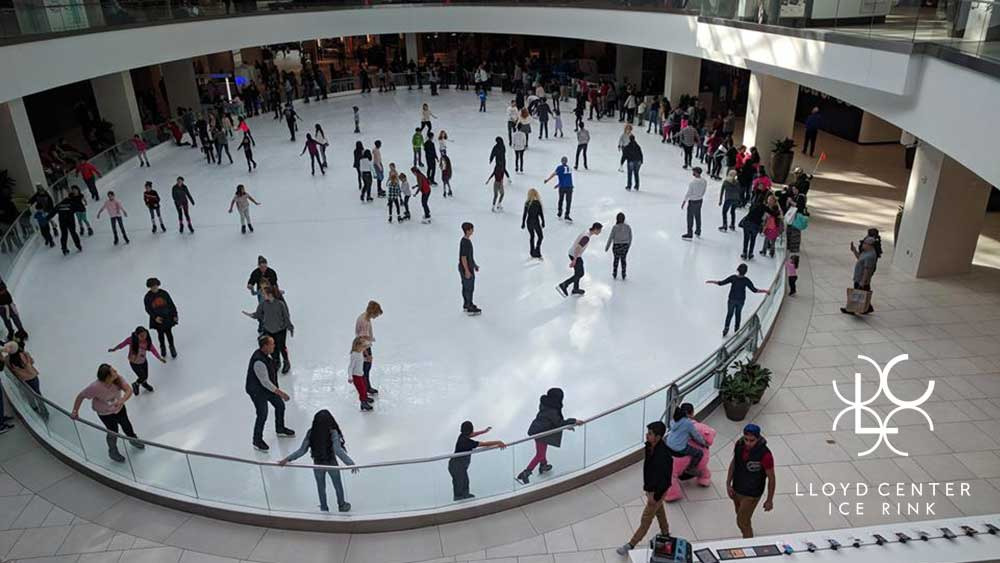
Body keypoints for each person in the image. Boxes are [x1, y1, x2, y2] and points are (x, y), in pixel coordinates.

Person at [279, 409, 358, 512]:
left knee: (321, 487)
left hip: (317, 464)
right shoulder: (333, 432)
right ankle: (342, 505)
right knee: (337, 485)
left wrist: (287, 459)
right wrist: (350, 463)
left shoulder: (311, 432)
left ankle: (324, 507)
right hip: (331, 463)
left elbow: (302, 450)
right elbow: (338, 450)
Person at [616, 421, 671, 556]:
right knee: (659, 510)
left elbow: (665, 480)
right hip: (652, 490)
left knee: (646, 519)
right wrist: (647, 489)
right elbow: (648, 470)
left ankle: (631, 544)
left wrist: (655, 496)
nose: (647, 435)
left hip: (658, 491)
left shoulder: (663, 455)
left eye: (650, 434)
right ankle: (665, 533)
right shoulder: (650, 447)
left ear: (658, 437)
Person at [71, 364, 144, 463]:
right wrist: (75, 411)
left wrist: (122, 400)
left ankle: (133, 440)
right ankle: (113, 451)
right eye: (113, 371)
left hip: (119, 408)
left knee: (126, 424)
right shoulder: (95, 387)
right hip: (105, 414)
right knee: (113, 431)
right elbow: (81, 396)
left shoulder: (118, 379)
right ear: (107, 377)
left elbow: (128, 390)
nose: (116, 371)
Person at [515, 388, 582, 484]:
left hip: (540, 431)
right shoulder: (552, 410)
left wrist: (567, 426)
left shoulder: (546, 405)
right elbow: (558, 422)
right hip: (541, 433)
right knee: (540, 454)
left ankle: (543, 465)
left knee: (542, 451)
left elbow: (554, 422)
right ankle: (526, 473)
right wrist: (573, 421)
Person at [245, 335, 294, 451]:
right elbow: (265, 382)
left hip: (267, 388)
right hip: (257, 391)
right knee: (262, 414)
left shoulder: (267, 356)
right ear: (265, 346)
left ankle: (280, 429)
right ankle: (257, 440)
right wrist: (281, 393)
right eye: (272, 344)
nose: (274, 346)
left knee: (280, 405)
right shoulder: (259, 362)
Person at [726, 424, 775, 538]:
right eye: (746, 439)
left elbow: (771, 478)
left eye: (752, 440)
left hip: (752, 493)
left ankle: (749, 541)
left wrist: (769, 500)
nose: (748, 443)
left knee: (742, 521)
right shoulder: (739, 445)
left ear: (758, 438)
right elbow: (734, 463)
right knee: (741, 516)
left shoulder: (765, 455)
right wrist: (728, 483)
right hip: (737, 488)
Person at [707, 263, 770, 337]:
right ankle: (736, 330)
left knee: (729, 314)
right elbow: (754, 290)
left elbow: (721, 283)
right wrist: (765, 291)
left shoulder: (733, 278)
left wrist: (712, 281)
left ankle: (726, 329)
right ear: (746, 272)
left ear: (738, 269)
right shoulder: (746, 280)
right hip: (740, 301)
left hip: (732, 299)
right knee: (738, 314)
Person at [449, 421, 505, 501]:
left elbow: (472, 434)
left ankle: (465, 496)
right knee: (459, 484)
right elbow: (484, 444)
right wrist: (498, 442)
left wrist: (484, 431)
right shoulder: (466, 442)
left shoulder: (462, 436)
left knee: (465, 482)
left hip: (459, 466)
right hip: (456, 466)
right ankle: (459, 500)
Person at [243, 286, 294, 374]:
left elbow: (286, 317)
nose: (263, 295)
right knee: (273, 347)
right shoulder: (263, 304)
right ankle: (276, 361)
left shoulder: (280, 304)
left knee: (282, 346)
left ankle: (286, 362)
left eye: (264, 294)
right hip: (269, 330)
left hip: (280, 330)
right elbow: (258, 314)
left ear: (270, 294)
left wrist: (290, 327)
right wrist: (251, 315)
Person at [108, 326, 165, 396]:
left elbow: (153, 350)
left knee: (145, 376)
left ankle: (144, 384)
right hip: (134, 363)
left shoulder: (147, 342)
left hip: (143, 361)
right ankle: (135, 384)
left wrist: (159, 358)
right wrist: (114, 349)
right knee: (142, 376)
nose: (144, 337)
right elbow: (122, 344)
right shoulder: (131, 340)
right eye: (141, 336)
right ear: (136, 335)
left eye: (145, 335)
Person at [557, 222, 602, 297]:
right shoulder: (586, 237)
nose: (600, 232)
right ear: (596, 229)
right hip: (575, 255)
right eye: (599, 230)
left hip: (574, 254)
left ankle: (575, 289)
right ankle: (564, 284)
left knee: (578, 273)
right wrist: (574, 260)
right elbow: (578, 248)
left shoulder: (587, 232)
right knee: (580, 273)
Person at [4, 340, 47, 418]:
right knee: (38, 394)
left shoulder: (7, 360)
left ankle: (34, 409)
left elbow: (10, 370)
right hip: (32, 377)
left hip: (23, 380)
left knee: (29, 395)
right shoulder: (24, 355)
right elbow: (32, 362)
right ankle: (44, 412)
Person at [666, 402, 707, 478]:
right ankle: (690, 468)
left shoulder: (675, 419)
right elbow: (696, 436)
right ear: (689, 413)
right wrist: (704, 443)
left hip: (668, 443)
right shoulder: (688, 423)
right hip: (678, 448)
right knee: (699, 453)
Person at [841, 237, 878, 315]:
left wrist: (862, 281)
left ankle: (851, 309)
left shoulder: (870, 256)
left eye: (865, 243)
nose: (863, 245)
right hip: (860, 278)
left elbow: (867, 270)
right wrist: (854, 250)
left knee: (856, 294)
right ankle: (868, 308)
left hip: (861, 279)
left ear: (870, 245)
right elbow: (860, 258)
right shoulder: (866, 252)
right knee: (864, 293)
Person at [144, 277, 178, 358]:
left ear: (158, 285)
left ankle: (172, 347)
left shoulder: (164, 293)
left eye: (155, 286)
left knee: (169, 333)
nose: (154, 288)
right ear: (149, 287)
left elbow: (171, 304)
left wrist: (175, 315)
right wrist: (155, 317)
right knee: (160, 335)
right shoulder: (147, 297)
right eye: (152, 286)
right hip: (157, 319)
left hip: (167, 317)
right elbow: (148, 309)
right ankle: (163, 348)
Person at [354, 300, 382, 397]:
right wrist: (367, 355)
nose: (377, 316)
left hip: (364, 346)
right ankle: (365, 391)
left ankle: (367, 387)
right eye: (376, 314)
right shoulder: (365, 322)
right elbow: (362, 340)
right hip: (363, 348)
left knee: (365, 369)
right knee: (365, 370)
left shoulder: (364, 317)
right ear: (373, 312)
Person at [458, 222, 481, 314]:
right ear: (467, 231)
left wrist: (474, 265)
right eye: (471, 229)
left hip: (468, 267)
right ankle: (468, 306)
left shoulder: (467, 241)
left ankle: (467, 304)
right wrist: (467, 270)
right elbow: (463, 257)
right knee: (469, 288)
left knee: (467, 287)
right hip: (466, 268)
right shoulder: (465, 242)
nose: (473, 231)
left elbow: (469, 256)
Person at [544, 157, 574, 222]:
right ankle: (567, 214)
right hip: (569, 187)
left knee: (561, 199)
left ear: (561, 161)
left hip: (562, 187)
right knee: (568, 201)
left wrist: (547, 180)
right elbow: (567, 178)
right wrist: (558, 184)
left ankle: (560, 211)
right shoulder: (569, 168)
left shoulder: (559, 167)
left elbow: (554, 174)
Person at [347, 336, 374, 411]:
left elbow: (360, 360)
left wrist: (367, 359)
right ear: (358, 346)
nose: (364, 348)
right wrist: (350, 377)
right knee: (361, 390)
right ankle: (363, 403)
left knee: (364, 388)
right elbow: (350, 367)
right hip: (356, 376)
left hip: (361, 374)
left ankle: (365, 398)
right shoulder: (354, 354)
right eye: (363, 346)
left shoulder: (360, 352)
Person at [605, 212, 632, 280]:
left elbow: (611, 237)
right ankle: (623, 274)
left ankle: (615, 273)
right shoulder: (628, 227)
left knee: (616, 259)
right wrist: (628, 246)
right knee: (623, 260)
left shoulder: (615, 227)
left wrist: (607, 247)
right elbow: (630, 237)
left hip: (616, 246)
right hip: (625, 245)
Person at [681, 167, 707, 240]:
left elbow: (689, 193)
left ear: (696, 173)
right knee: (698, 216)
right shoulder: (704, 181)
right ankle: (698, 231)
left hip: (692, 201)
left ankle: (689, 233)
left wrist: (684, 201)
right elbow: (704, 190)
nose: (693, 173)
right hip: (699, 200)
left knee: (690, 217)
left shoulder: (693, 183)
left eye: (694, 172)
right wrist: (700, 196)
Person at [521, 189, 545, 259]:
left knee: (532, 236)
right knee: (540, 236)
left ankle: (532, 252)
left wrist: (523, 223)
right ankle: (537, 250)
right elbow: (541, 213)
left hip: (529, 221)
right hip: (536, 221)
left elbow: (525, 214)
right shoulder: (538, 203)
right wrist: (543, 222)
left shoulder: (527, 203)